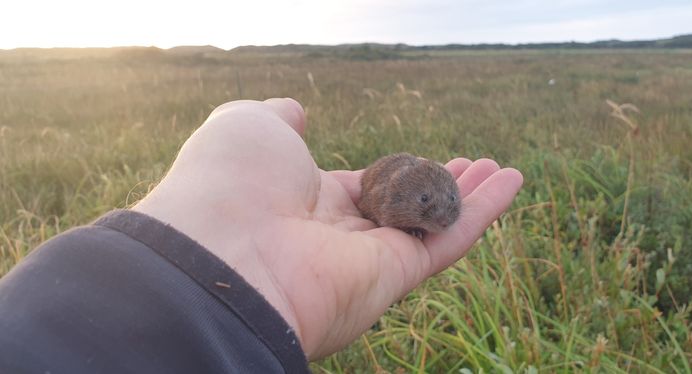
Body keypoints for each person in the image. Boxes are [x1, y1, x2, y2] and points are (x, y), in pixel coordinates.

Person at [0, 99, 523, 373]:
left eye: (448, 205)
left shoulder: (435, 193)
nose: (443, 215)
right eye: (430, 209)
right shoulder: (392, 197)